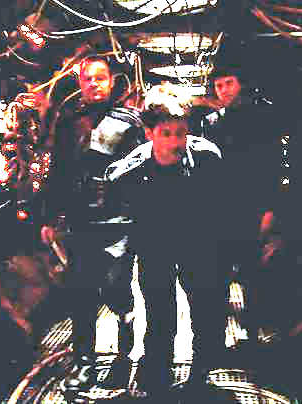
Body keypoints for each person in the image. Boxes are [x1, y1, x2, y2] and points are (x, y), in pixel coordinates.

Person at [104, 87, 227, 400]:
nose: (175, 142)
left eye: (181, 133)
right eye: (166, 134)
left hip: (197, 242)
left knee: (206, 309)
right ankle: (157, 375)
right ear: (149, 134)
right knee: (159, 312)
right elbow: (118, 218)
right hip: (154, 244)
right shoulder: (127, 173)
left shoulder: (208, 158)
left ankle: (201, 375)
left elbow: (223, 209)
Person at [36, 55, 144, 399]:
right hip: (80, 221)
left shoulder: (130, 122)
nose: (94, 84)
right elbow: (58, 173)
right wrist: (49, 218)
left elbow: (144, 172)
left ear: (111, 82)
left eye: (100, 78)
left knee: (116, 290)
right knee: (81, 295)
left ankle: (125, 357)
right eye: (88, 79)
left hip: (119, 223)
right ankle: (84, 363)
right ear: (81, 83)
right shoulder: (69, 122)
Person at [195, 65, 286, 359]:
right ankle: (215, 342)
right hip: (219, 211)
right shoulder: (210, 122)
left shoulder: (263, 119)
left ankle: (253, 336)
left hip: (252, 209)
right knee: (216, 278)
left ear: (240, 84)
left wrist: (270, 210)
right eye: (219, 85)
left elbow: (273, 167)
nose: (224, 90)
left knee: (252, 276)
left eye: (229, 83)